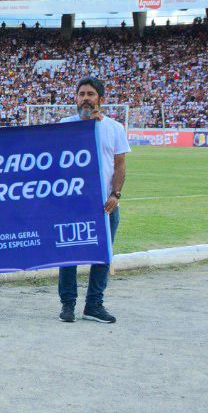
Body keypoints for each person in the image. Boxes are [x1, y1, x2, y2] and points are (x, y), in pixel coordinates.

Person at [56, 76, 130, 323]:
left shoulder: (114, 128)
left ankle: (94, 305)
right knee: (69, 255)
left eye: (90, 94)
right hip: (72, 204)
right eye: (81, 94)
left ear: (101, 99)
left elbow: (119, 166)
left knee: (103, 254)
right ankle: (68, 305)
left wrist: (115, 194)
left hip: (104, 205)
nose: (85, 98)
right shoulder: (65, 125)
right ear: (75, 98)